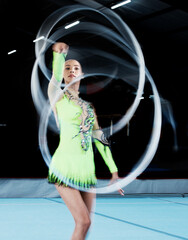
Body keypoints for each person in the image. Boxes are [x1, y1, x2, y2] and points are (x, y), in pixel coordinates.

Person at [47, 42, 124, 240]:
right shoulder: (58, 98)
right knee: (83, 221)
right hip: (65, 167)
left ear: (82, 74)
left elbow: (99, 137)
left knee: (86, 224)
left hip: (87, 170)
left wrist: (113, 170)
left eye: (76, 68)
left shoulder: (88, 107)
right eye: (68, 68)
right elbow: (55, 78)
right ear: (64, 73)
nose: (72, 70)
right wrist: (60, 55)